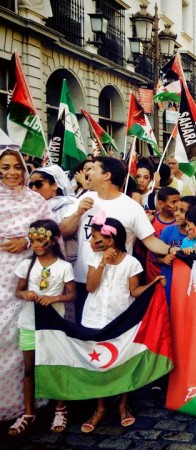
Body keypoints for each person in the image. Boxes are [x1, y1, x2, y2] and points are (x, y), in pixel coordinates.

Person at [60, 156, 175, 323]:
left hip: (118, 286)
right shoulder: (83, 199)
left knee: (115, 339)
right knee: (85, 334)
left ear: (106, 175)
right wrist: (78, 212)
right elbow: (63, 230)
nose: (87, 173)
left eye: (93, 169)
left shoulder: (131, 207)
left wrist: (171, 249)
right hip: (85, 281)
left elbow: (150, 241)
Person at [80, 215, 166, 433]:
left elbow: (135, 292)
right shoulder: (94, 257)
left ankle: (123, 404)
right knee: (97, 363)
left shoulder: (131, 263)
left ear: (111, 240)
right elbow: (90, 287)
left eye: (97, 239)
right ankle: (99, 408)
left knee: (121, 361)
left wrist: (153, 284)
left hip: (120, 318)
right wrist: (102, 262)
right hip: (93, 318)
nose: (92, 243)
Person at [0, 148, 54, 423]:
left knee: (22, 336)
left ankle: (28, 401)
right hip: (0, 270)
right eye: (6, 167)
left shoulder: (35, 200)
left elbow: (50, 228)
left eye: (17, 167)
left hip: (28, 273)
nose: (12, 173)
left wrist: (26, 239)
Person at [9, 220, 76, 435]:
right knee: (29, 369)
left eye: (41, 240)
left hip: (53, 325)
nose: (36, 245)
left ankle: (60, 408)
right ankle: (28, 412)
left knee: (55, 366)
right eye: (34, 240)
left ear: (54, 240)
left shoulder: (64, 267)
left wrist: (55, 297)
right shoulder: (26, 265)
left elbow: (72, 294)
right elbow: (17, 291)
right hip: (29, 323)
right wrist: (25, 294)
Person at [30, 166, 78, 264]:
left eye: (38, 184)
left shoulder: (69, 205)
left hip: (65, 260)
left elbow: (65, 231)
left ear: (55, 185)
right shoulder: (30, 207)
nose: (34, 189)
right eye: (31, 185)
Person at [159, 196, 196, 304]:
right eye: (176, 209)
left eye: (182, 211)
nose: (176, 213)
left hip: (190, 284)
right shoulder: (168, 231)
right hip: (169, 280)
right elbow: (157, 256)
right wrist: (165, 259)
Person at [145, 187, 180, 282]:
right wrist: (146, 222)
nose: (177, 205)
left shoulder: (179, 223)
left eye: (179, 201)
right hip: (151, 274)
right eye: (173, 202)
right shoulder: (151, 220)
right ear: (161, 203)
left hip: (171, 274)